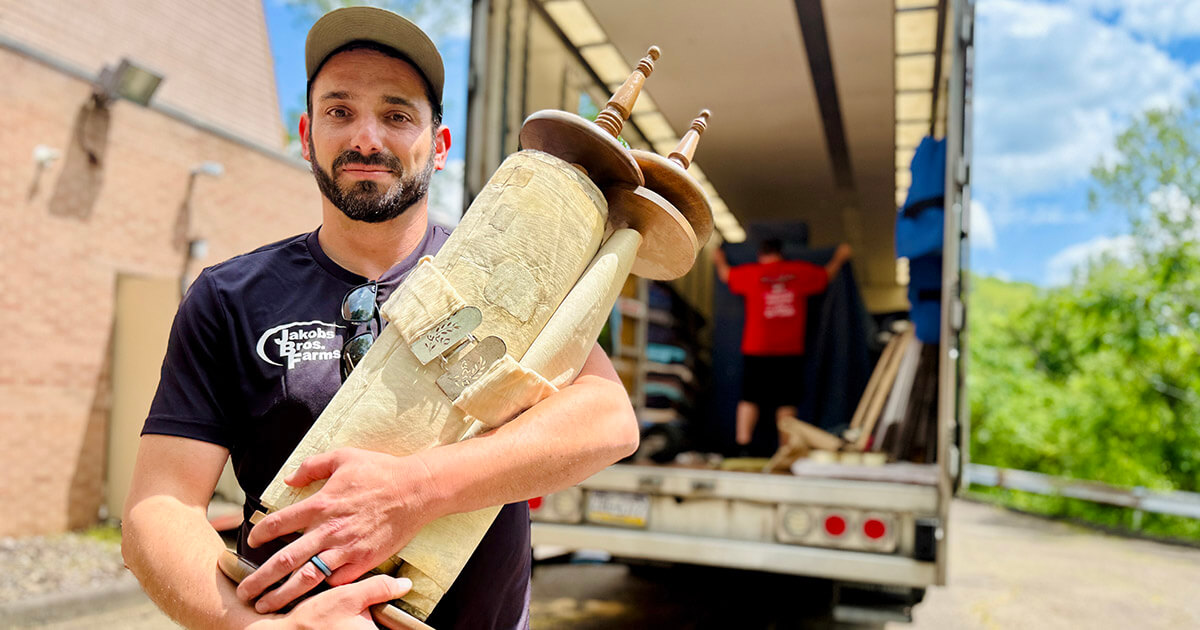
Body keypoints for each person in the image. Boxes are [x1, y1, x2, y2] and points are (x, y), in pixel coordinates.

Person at [121, 7, 638, 629]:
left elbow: (607, 421)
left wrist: (418, 489)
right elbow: (159, 508)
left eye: (397, 115)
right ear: (308, 133)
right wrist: (265, 629)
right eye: (340, 112)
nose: (367, 138)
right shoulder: (229, 298)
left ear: (439, 145)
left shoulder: (513, 280)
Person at [713, 237, 851, 451]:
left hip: (756, 349)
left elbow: (725, 275)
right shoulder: (798, 272)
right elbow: (827, 275)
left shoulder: (752, 273)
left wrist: (718, 258)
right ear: (781, 253)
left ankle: (742, 446)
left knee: (750, 398)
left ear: (761, 255)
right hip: (789, 350)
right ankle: (785, 450)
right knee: (786, 402)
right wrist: (840, 257)